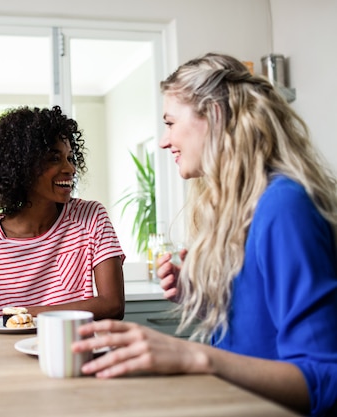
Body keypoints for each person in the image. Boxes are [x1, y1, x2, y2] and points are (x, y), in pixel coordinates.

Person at [72, 53, 337, 416]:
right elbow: (260, 331)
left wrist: (193, 355)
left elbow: (324, 380)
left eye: (170, 123)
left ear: (213, 115)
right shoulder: (240, 206)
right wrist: (201, 294)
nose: (165, 141)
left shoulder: (283, 206)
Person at [0, 105, 125, 322]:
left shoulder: (90, 217)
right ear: (22, 166)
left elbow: (113, 305)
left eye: (70, 158)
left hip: (74, 352)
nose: (70, 169)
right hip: (10, 354)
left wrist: (29, 313)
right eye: (54, 159)